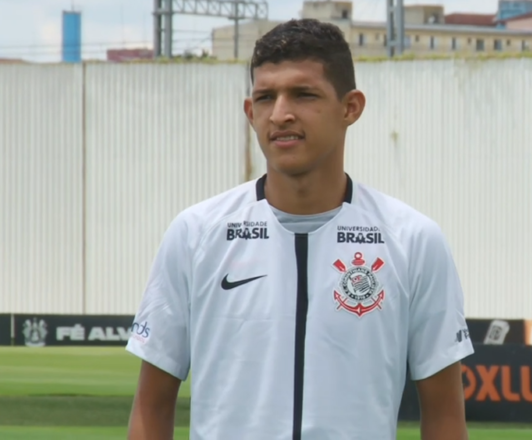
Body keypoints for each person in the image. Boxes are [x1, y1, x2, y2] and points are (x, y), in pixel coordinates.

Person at [126, 18, 473, 440]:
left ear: (351, 107)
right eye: (266, 97)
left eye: (304, 94)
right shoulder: (196, 234)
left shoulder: (413, 241)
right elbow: (151, 406)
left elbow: (444, 415)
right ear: (250, 113)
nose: (281, 113)